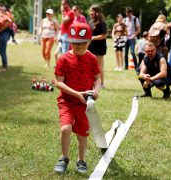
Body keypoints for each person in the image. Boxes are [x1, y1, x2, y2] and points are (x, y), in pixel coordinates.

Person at [54, 22, 101, 173]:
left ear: (89, 42)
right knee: (65, 128)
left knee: (82, 133)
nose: (78, 46)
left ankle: (81, 160)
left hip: (84, 104)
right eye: (74, 43)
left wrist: (96, 90)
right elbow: (58, 83)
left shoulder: (92, 59)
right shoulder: (63, 59)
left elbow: (97, 78)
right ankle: (64, 157)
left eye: (81, 43)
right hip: (67, 101)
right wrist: (76, 94)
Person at [88, 4, 107, 89]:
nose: (90, 12)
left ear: (97, 12)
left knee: (99, 66)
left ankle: (102, 84)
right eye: (90, 11)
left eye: (92, 11)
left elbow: (104, 35)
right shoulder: (91, 22)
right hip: (91, 47)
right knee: (90, 65)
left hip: (99, 47)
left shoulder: (101, 23)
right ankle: (92, 82)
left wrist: (92, 38)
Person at [0, 5, 12, 72]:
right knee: (1, 51)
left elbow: (9, 22)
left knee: (1, 51)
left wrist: (1, 29)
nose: (1, 12)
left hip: (5, 33)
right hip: (0, 32)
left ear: (5, 11)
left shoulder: (6, 17)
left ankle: (4, 67)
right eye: (0, 10)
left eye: (2, 11)